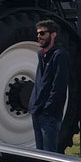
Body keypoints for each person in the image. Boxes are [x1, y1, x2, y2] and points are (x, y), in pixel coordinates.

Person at [28, 19, 69, 152]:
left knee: (49, 153)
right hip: (37, 110)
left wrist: (48, 109)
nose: (39, 36)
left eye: (42, 33)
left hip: (49, 114)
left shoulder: (59, 56)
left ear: (53, 34)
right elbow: (40, 82)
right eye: (38, 34)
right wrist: (34, 106)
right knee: (40, 152)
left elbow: (59, 86)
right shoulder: (41, 54)